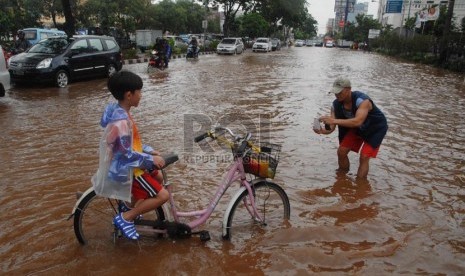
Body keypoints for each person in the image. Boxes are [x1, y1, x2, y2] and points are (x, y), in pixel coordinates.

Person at [93, 70, 169, 240]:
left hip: (129, 164)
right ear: (129, 95)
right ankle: (126, 218)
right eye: (139, 92)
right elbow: (126, 155)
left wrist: (147, 150)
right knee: (163, 195)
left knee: (158, 178)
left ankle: (129, 207)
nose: (141, 95)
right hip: (129, 169)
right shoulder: (121, 122)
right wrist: (150, 160)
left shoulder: (121, 112)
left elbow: (131, 143)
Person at [314, 77, 388, 179]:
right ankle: (342, 178)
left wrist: (333, 121)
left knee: (364, 157)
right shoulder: (335, 105)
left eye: (339, 92)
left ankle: (360, 186)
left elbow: (358, 121)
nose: (336, 95)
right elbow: (331, 128)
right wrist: (322, 130)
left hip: (375, 128)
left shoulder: (362, 101)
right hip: (357, 127)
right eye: (335, 92)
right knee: (341, 152)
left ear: (348, 90)